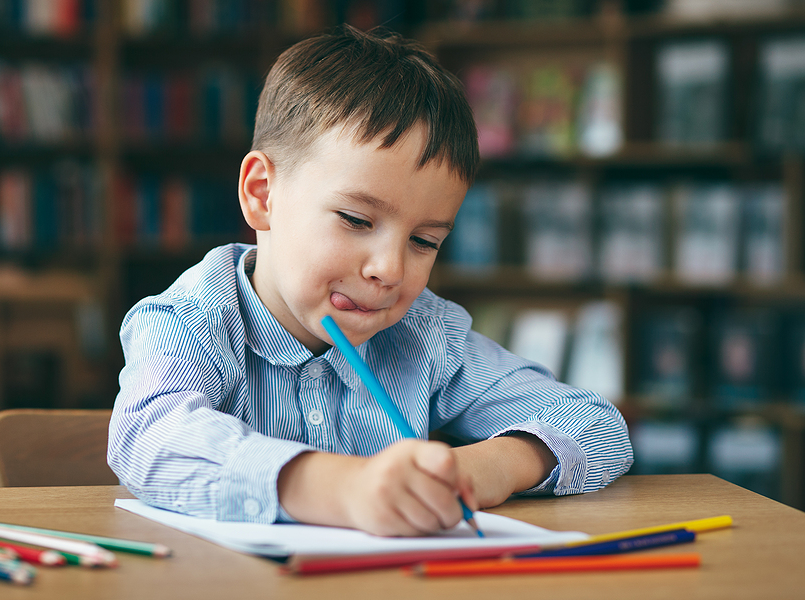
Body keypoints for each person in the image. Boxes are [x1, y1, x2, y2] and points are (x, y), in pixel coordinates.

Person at [108, 25, 633, 537]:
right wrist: (344, 489)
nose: (391, 270)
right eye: (357, 221)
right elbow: (149, 439)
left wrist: (482, 469)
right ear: (263, 194)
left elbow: (594, 423)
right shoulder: (192, 320)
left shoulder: (426, 335)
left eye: (424, 241)